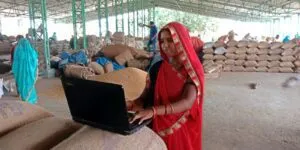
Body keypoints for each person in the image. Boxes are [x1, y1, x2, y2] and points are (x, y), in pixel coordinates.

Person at [128, 22, 205, 150]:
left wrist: (154, 111)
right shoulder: (157, 68)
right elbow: (147, 96)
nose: (165, 45)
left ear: (181, 40)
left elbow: (187, 102)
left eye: (170, 40)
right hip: (154, 122)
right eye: (162, 41)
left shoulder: (191, 70)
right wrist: (132, 103)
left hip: (178, 128)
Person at [12, 39, 39, 104]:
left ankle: (25, 99)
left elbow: (15, 64)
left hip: (21, 74)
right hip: (30, 75)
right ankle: (31, 99)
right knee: (30, 86)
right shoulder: (32, 52)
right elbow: (36, 62)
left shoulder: (18, 51)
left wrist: (16, 71)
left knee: (23, 85)